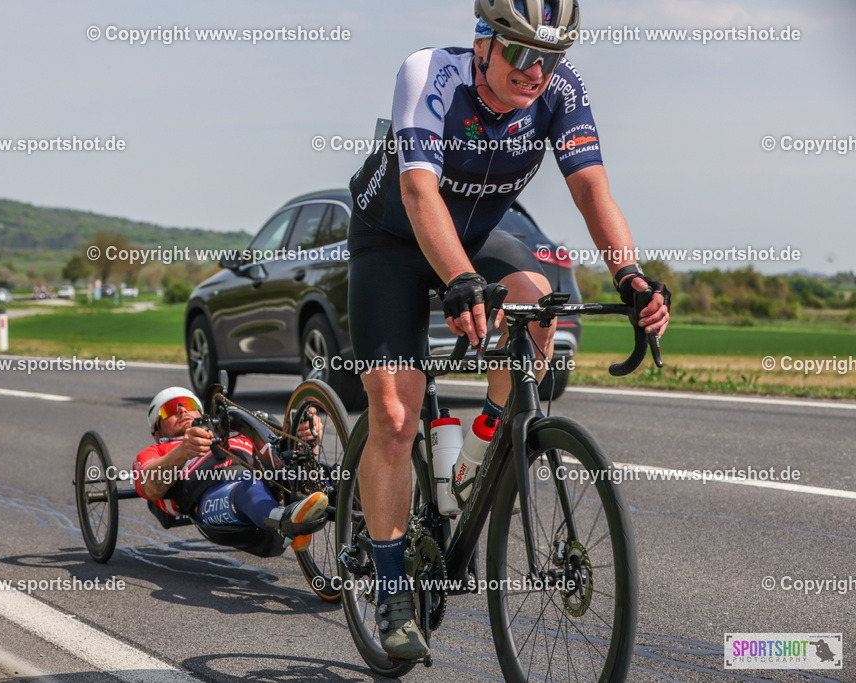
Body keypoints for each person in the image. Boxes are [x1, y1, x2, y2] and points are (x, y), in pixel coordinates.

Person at [347, 0, 671, 659]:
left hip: (475, 235)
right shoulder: (430, 75)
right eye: (522, 53)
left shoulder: (560, 90)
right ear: (483, 44)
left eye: (549, 58)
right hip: (392, 240)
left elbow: (591, 189)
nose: (536, 72)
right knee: (393, 414)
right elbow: (418, 192)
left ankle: (476, 456)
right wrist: (460, 279)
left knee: (539, 301)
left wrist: (631, 276)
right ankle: (391, 589)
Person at [132, 386, 328, 556]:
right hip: (211, 498)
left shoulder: (234, 431)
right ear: (158, 432)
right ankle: (284, 522)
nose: (182, 410)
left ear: (201, 413)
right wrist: (182, 452)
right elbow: (150, 488)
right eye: (168, 410)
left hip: (268, 476)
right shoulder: (156, 452)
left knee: (321, 471)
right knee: (248, 487)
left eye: (188, 404)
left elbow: (285, 452)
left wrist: (308, 440)